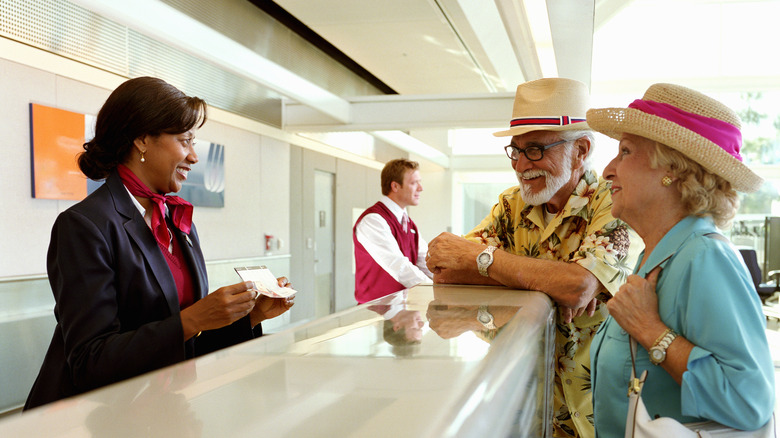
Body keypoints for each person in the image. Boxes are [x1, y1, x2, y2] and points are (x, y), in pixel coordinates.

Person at [24, 77, 294, 410]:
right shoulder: (85, 225)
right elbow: (89, 361)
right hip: (93, 419)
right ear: (141, 139)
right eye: (185, 140)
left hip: (159, 409)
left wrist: (247, 317)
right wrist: (192, 319)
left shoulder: (178, 223)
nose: (194, 156)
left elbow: (183, 345)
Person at [425, 78, 639, 438]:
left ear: (581, 150)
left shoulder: (614, 202)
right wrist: (548, 284)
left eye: (536, 149)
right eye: (516, 150)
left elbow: (578, 286)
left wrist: (486, 260)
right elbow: (447, 270)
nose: (522, 165)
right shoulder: (512, 205)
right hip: (525, 405)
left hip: (598, 415)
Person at [586, 83, 775, 436]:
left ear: (671, 169)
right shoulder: (660, 256)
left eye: (625, 151)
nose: (608, 170)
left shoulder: (704, 258)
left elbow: (750, 401)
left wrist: (652, 332)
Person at [353, 158, 433, 304]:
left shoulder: (409, 224)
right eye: (414, 183)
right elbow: (399, 266)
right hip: (376, 313)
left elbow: (427, 262)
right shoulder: (373, 220)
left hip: (401, 312)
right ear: (395, 186)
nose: (420, 188)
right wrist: (435, 291)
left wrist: (450, 283)